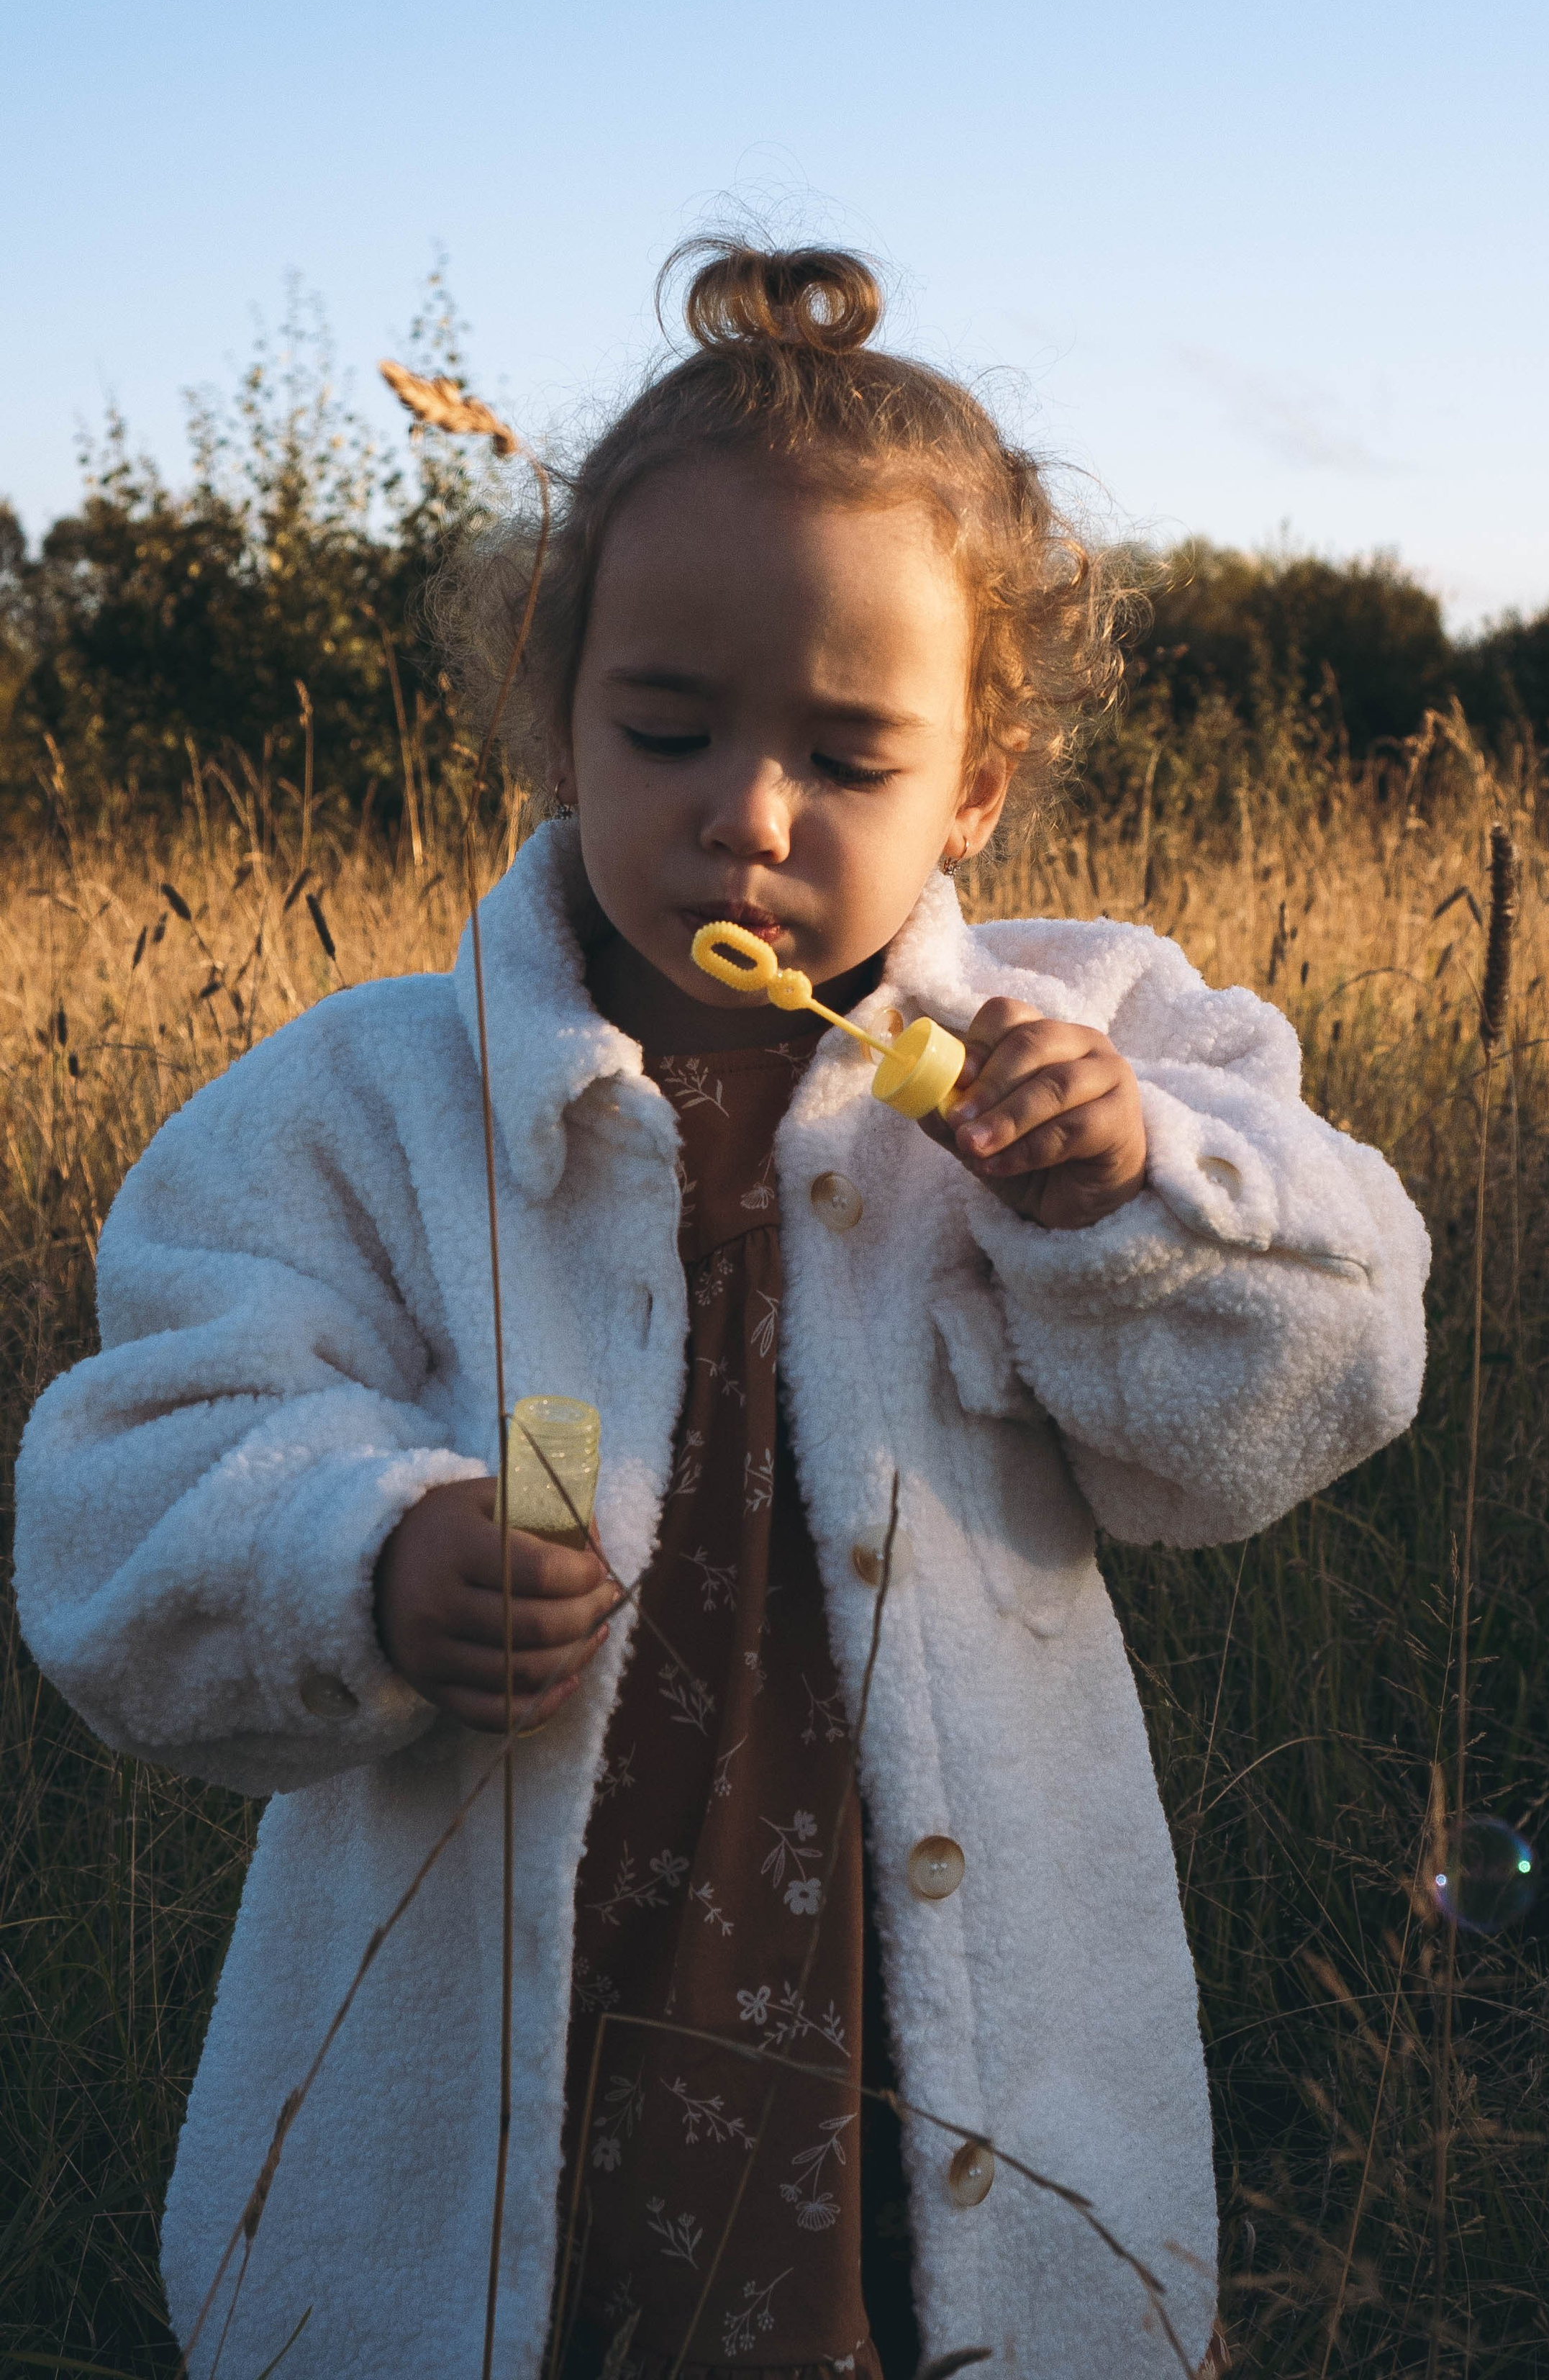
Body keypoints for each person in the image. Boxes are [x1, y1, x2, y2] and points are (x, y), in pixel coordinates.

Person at [14, 243, 1430, 2380]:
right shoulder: (371, 1106)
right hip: (512, 1992)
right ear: (559, 703)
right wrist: (363, 1554)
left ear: (975, 783)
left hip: (894, 1983)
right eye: (667, 727)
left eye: (850, 759)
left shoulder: (1092, 1046)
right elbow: (123, 1491)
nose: (746, 815)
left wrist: (1136, 1189)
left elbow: (1330, 1374)